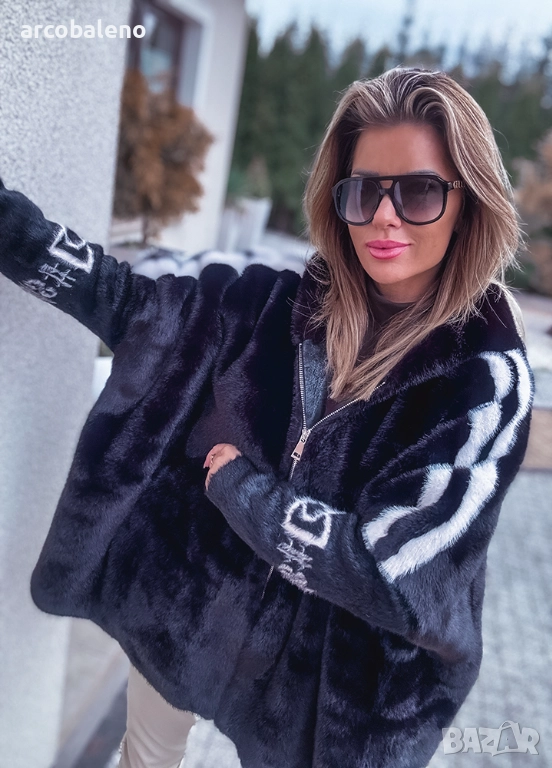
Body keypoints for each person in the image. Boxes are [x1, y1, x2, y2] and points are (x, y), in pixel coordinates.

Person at [0, 67, 533, 768]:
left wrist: (243, 493)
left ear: (468, 200)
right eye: (363, 191)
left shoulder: (483, 380)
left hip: (326, 682)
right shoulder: (277, 305)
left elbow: (397, 573)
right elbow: (132, 303)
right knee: (144, 757)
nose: (384, 216)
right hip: (191, 608)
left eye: (419, 191)